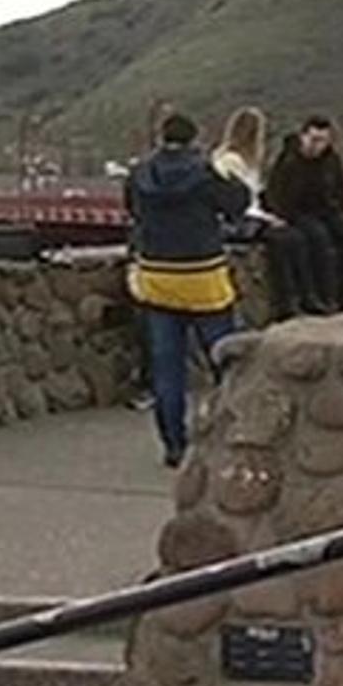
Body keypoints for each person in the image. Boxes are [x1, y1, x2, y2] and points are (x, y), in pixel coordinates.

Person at [127, 113, 252, 467]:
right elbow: (236, 205)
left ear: (160, 136)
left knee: (168, 369)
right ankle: (232, 433)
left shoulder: (140, 173)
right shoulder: (205, 171)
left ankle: (174, 446)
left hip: (157, 278)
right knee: (226, 360)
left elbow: (132, 210)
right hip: (203, 277)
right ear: (194, 138)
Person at [210, 107, 311, 321]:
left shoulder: (243, 161)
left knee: (294, 237)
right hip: (238, 221)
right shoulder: (231, 162)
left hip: (250, 216)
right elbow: (240, 202)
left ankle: (300, 295)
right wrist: (266, 219)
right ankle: (288, 300)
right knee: (286, 239)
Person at [264, 115, 343, 312]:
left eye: (322, 141)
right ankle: (317, 296)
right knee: (317, 238)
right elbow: (275, 193)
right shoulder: (289, 161)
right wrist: (281, 216)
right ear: (303, 137)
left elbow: (340, 190)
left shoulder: (331, 160)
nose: (317, 146)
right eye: (314, 140)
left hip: (326, 210)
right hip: (296, 212)